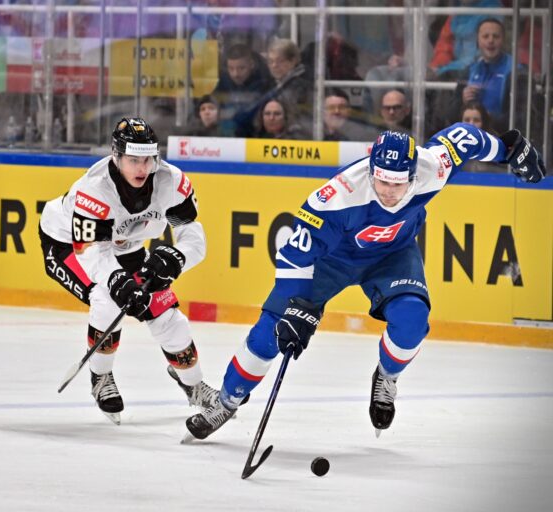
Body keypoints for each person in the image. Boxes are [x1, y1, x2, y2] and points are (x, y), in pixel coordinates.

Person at [184, 123, 546, 440]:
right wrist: (295, 310)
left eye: (398, 183)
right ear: (371, 168)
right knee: (269, 333)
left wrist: (508, 150)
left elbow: (466, 138)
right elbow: (295, 256)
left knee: (412, 319)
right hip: (330, 260)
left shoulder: (433, 167)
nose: (388, 191)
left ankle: (387, 377)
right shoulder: (336, 197)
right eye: (382, 181)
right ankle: (226, 402)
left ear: (413, 174)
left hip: (393, 254)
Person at [39, 117, 216, 425]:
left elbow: (192, 236)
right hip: (67, 243)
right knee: (107, 299)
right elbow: (90, 250)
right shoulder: (94, 190)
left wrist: (177, 257)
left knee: (167, 316)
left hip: (124, 245)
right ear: (116, 156)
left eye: (147, 159)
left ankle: (194, 385)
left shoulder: (171, 182)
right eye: (133, 160)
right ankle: (100, 376)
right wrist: (116, 279)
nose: (142, 168)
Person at [210, 44, 273, 137]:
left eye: (241, 68)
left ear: (251, 64)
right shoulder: (224, 80)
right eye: (231, 68)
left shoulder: (264, 83)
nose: (235, 74)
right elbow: (212, 100)